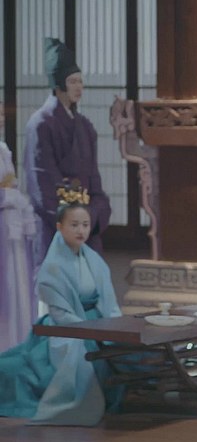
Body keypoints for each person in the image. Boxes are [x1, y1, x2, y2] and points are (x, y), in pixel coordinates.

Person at [0, 181, 122, 426]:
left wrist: (114, 325)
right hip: (65, 328)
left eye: (85, 224)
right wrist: (92, 331)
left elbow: (108, 302)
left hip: (97, 321)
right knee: (81, 353)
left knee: (122, 348)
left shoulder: (93, 259)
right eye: (74, 225)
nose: (81, 230)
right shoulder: (52, 268)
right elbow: (62, 315)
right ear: (59, 227)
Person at [24, 38, 110, 267]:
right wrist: (71, 223)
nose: (78, 87)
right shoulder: (40, 124)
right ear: (58, 84)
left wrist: (92, 217)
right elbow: (41, 184)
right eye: (72, 81)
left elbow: (94, 180)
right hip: (56, 226)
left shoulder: (85, 126)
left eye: (80, 81)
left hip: (85, 224)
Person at [0, 140, 38, 352]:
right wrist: (7, 196)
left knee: (17, 286)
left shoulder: (3, 148)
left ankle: (18, 345)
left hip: (11, 227)